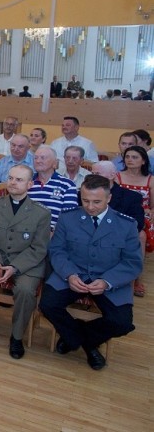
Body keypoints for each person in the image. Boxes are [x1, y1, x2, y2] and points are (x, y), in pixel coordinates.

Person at [39, 175, 142, 371]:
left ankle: (77, 339)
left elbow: (132, 263)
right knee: (47, 305)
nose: (90, 206)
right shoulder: (68, 218)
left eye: (97, 201)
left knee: (122, 323)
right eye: (85, 201)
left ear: (109, 198)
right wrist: (69, 274)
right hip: (73, 275)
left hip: (108, 280)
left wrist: (107, 282)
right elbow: (57, 251)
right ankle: (88, 345)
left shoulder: (126, 225)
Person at [0, 165, 51, 359]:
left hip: (26, 261)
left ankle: (16, 336)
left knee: (25, 290)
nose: (13, 182)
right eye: (11, 178)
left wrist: (14, 267)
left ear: (30, 184)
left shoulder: (41, 213)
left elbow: (39, 248)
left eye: (19, 180)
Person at [115, 145, 153, 297]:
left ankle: (136, 277)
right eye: (128, 157)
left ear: (143, 161)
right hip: (121, 214)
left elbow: (152, 206)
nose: (130, 160)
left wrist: (149, 212)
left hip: (142, 215)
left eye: (135, 157)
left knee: (141, 235)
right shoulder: (117, 176)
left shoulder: (150, 180)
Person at [27, 146, 78, 228]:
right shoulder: (27, 182)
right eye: (35, 158)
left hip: (55, 234)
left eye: (43, 158)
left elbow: (69, 217)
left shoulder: (67, 185)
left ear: (55, 163)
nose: (38, 161)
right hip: (26, 231)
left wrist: (54, 234)